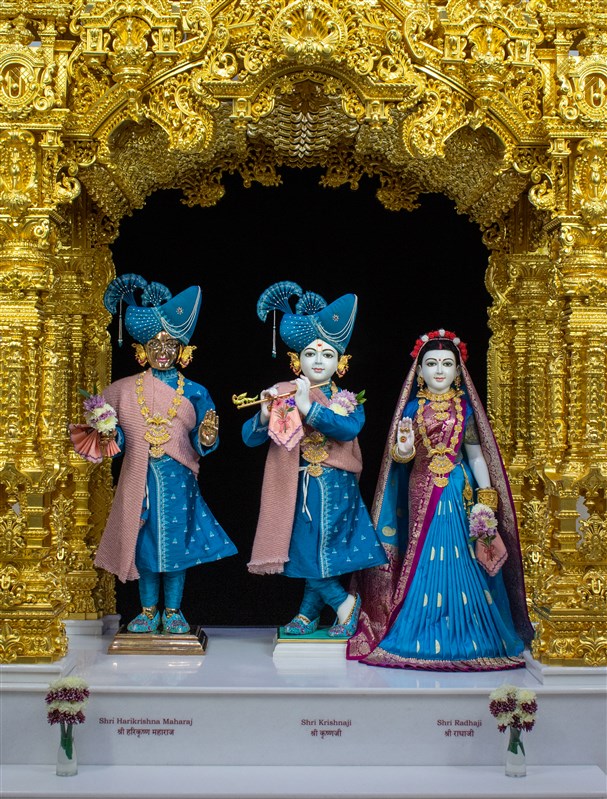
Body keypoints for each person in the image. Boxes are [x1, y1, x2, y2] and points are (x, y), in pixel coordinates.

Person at [347, 329, 534, 670]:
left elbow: (476, 455)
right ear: (419, 371)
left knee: (463, 551)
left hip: (459, 488)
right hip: (421, 488)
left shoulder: (465, 409)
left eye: (447, 364)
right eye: (431, 363)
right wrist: (404, 447)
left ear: (458, 370)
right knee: (424, 551)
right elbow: (401, 457)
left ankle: (472, 633)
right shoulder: (412, 408)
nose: (439, 370)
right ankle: (420, 627)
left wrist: (486, 497)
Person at [74, 273, 237, 634]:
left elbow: (204, 441)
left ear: (183, 350)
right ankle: (148, 611)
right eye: (155, 345)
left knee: (177, 546)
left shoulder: (195, 392)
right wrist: (108, 431)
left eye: (170, 345)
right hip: (140, 480)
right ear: (142, 350)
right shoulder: (121, 391)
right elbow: (115, 442)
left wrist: (207, 437)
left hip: (179, 481)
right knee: (144, 545)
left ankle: (174, 611)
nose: (163, 352)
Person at [242, 281, 388, 637]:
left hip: (338, 488)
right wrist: (264, 414)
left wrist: (309, 407)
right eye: (310, 354)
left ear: (341, 362)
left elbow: (348, 430)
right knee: (307, 550)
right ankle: (337, 607)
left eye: (327, 355)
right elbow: (250, 438)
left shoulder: (348, 399)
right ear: (297, 360)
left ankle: (317, 612)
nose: (318, 361)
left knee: (326, 552)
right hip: (299, 486)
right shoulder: (283, 392)